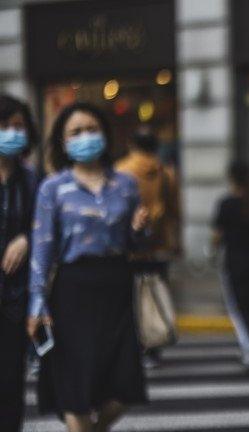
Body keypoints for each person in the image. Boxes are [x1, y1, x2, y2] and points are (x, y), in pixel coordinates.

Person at [27, 102, 149, 432]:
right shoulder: (53, 188)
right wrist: (36, 304)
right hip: (72, 290)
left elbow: (135, 244)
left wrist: (138, 231)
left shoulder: (126, 184)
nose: (85, 137)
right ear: (63, 142)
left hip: (116, 286)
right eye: (76, 132)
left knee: (125, 384)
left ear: (106, 135)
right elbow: (42, 249)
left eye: (92, 129)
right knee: (75, 385)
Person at [115, 126, 181, 368]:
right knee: (154, 295)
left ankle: (136, 344)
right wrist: (175, 243)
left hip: (129, 245)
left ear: (132, 144)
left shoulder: (120, 171)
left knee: (131, 298)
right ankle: (153, 345)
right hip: (157, 245)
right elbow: (175, 211)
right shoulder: (166, 172)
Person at [0, 94, 39, 432]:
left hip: (15, 299)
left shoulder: (32, 180)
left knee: (11, 385)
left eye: (17, 127)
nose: (11, 133)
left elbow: (46, 228)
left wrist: (27, 238)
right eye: (4, 126)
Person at [212, 161, 249, 373]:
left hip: (235, 262)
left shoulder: (226, 204)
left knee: (238, 308)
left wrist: (213, 251)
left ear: (231, 178)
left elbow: (217, 236)